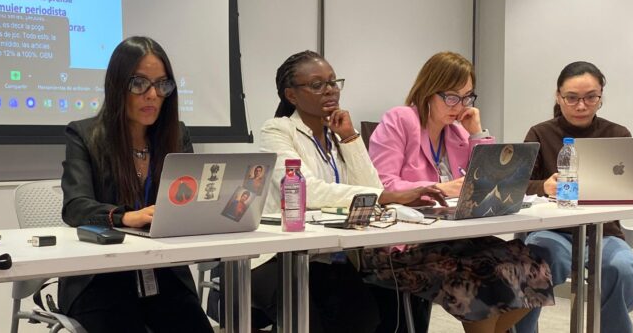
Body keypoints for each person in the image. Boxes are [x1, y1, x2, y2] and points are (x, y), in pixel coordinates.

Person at [243, 50, 445, 333]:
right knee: (309, 323)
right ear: (291, 96)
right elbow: (308, 191)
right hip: (277, 257)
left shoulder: (337, 136)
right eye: (317, 85)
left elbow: (372, 188)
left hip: (326, 256)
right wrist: (386, 196)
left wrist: (350, 138)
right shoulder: (277, 131)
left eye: (333, 82)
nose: (330, 91)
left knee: (365, 319)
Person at [365, 51, 554, 333]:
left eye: (467, 97)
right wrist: (438, 188)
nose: (459, 105)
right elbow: (381, 184)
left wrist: (476, 132)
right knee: (481, 277)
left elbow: (491, 177)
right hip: (405, 241)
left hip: (453, 235)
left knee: (532, 266)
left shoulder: (456, 132)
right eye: (451, 97)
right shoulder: (400, 120)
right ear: (429, 90)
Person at [59, 36, 212, 333]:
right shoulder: (84, 135)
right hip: (101, 279)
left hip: (164, 275)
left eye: (162, 84)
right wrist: (125, 217)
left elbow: (191, 203)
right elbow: (75, 207)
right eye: (140, 83)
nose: (153, 94)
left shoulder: (177, 136)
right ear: (118, 86)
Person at [515, 61, 633, 333]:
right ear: (558, 97)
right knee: (533, 261)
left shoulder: (617, 135)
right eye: (572, 98)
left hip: (604, 233)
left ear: (601, 96)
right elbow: (516, 185)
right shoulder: (540, 133)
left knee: (624, 268)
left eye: (591, 97)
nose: (581, 105)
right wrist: (543, 186)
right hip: (552, 230)